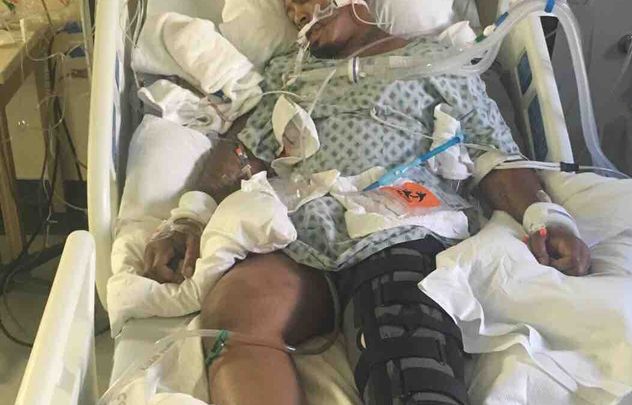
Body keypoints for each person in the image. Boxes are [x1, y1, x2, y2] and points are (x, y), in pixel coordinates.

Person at [142, 1, 591, 404]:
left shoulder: (438, 61)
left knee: (401, 349)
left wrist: (543, 217)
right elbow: (244, 150)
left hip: (398, 224)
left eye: (302, 1)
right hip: (304, 232)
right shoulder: (289, 74)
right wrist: (189, 217)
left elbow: (492, 154)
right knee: (234, 313)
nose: (297, 15)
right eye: (289, 10)